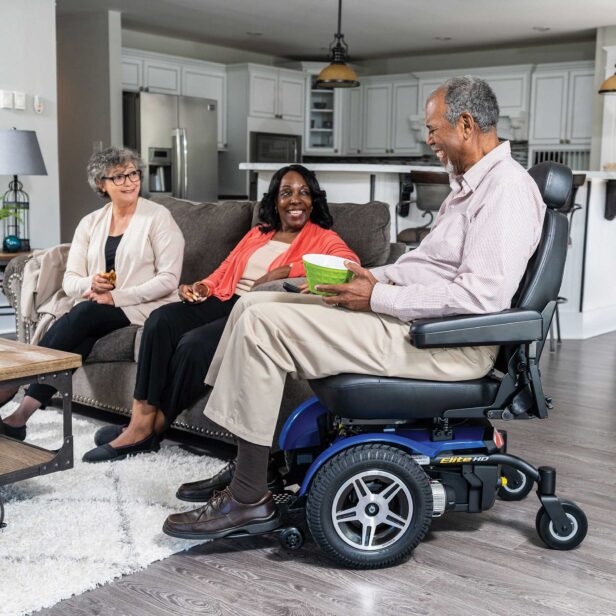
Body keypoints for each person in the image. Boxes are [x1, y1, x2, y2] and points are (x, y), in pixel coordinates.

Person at [162, 75, 547, 541]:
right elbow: (424, 266)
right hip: (419, 324)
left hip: (448, 345)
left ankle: (248, 498)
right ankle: (250, 467)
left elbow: (480, 298)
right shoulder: (468, 187)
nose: (429, 141)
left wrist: (375, 298)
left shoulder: (505, 190)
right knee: (257, 301)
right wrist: (355, 279)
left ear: (465, 125)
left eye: (432, 129)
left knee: (263, 322)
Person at [82, 164, 359, 463]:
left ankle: (153, 428)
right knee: (160, 320)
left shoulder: (322, 238)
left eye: (304, 193)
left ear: (313, 200)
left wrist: (284, 273)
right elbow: (227, 269)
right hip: (224, 297)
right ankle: (140, 422)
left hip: (255, 310)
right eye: (286, 192)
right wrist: (202, 286)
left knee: (195, 345)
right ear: (275, 200)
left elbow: (350, 266)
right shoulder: (258, 233)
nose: (295, 199)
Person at [0, 147, 184, 441]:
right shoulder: (90, 223)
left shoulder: (158, 217)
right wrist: (91, 284)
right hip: (98, 306)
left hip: (145, 305)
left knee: (83, 314)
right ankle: (20, 417)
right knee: (81, 335)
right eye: (119, 176)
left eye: (133, 173)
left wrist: (115, 297)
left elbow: (168, 280)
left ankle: (16, 381)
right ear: (102, 184)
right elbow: (70, 280)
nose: (129, 182)